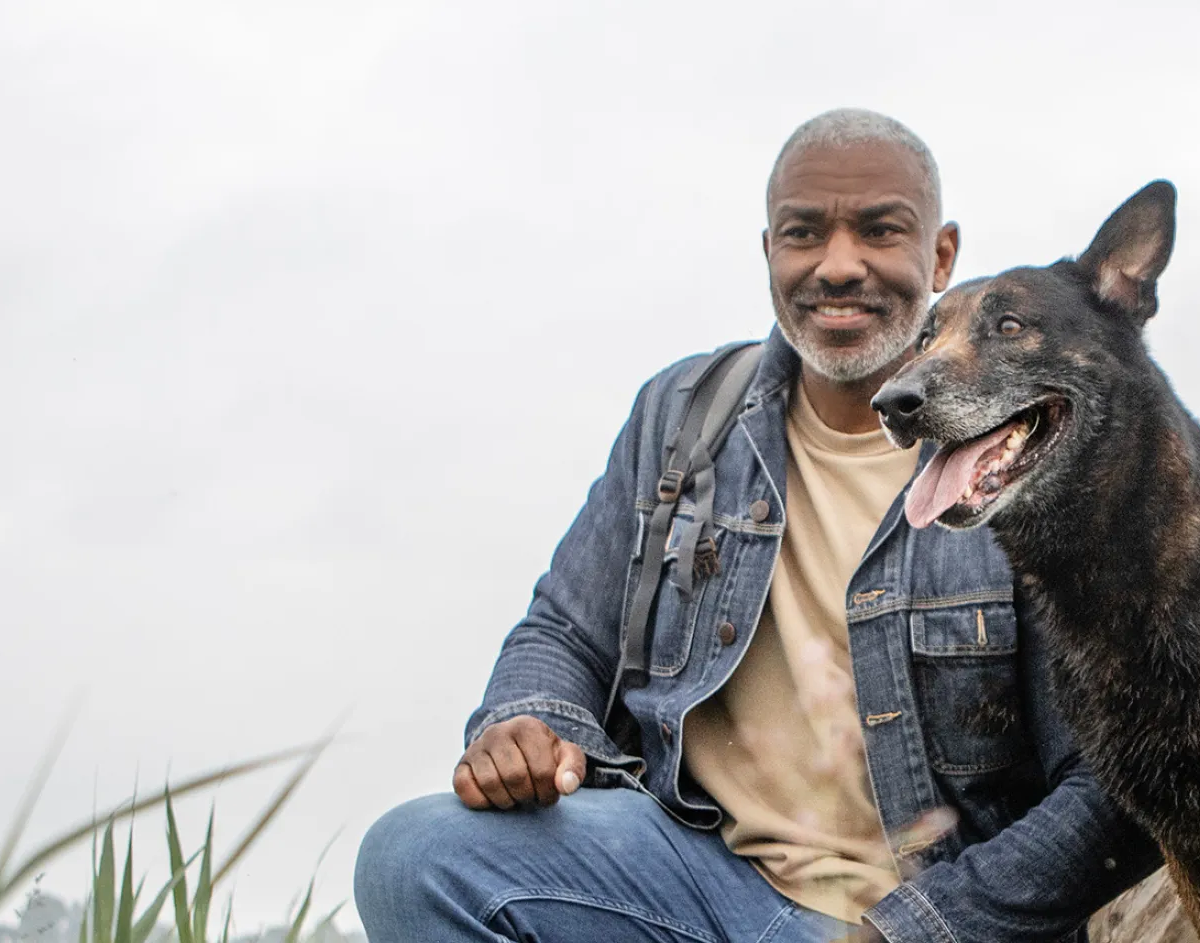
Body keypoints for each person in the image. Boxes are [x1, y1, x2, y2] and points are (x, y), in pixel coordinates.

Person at [353, 108, 1158, 943]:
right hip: (699, 885)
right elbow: (564, 628)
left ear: (941, 255)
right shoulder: (684, 414)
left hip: (924, 921)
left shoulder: (1029, 460)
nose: (839, 265)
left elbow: (1110, 788)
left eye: (880, 230)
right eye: (804, 233)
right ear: (769, 251)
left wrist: (909, 931)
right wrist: (530, 717)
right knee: (413, 857)